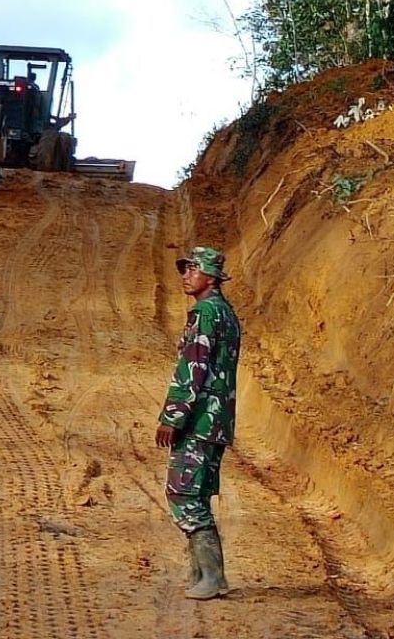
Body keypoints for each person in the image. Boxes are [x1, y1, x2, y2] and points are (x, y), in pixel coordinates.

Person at [155, 246, 241, 600]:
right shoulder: (226, 313)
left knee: (184, 493)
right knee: (199, 492)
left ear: (211, 278)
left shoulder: (205, 314)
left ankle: (211, 575)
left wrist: (172, 417)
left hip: (199, 419)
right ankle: (203, 574)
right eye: (185, 269)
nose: (186, 275)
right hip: (217, 419)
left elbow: (192, 369)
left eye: (193, 270)